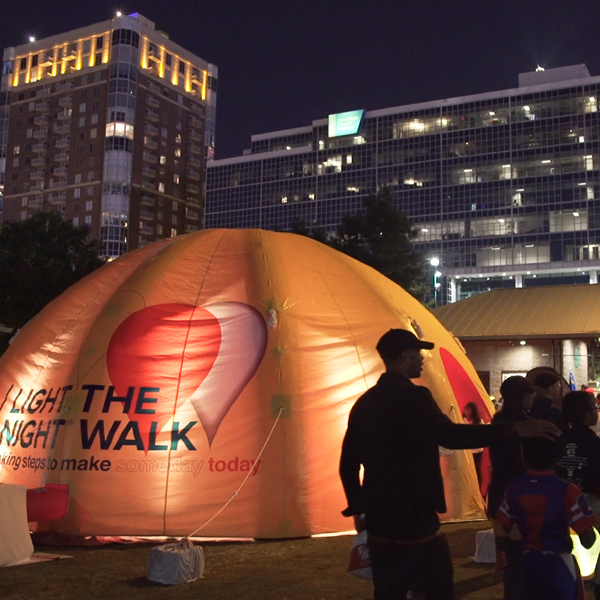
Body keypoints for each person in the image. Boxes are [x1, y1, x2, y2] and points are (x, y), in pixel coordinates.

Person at [339, 328, 561, 600]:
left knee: (388, 591)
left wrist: (359, 509)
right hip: (415, 515)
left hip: (379, 519)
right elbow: (453, 436)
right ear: (404, 356)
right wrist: (514, 430)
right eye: (418, 353)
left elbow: (347, 464)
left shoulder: (364, 404)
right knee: (436, 588)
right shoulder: (416, 398)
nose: (422, 359)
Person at [496, 437, 598, 600]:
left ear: (523, 456)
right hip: (559, 567)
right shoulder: (568, 491)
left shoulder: (513, 489)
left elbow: (500, 532)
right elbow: (588, 539)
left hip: (527, 565)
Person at [487, 376, 537, 600]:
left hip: (498, 495)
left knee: (510, 558)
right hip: (521, 497)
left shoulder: (497, 421)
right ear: (523, 396)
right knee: (524, 556)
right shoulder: (527, 424)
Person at [556, 390, 600, 599]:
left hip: (559, 502)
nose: (597, 412)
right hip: (589, 501)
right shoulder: (593, 442)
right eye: (594, 408)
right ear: (585, 415)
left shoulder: (560, 440)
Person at [462, 401, 484, 485]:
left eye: (469, 410)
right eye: (466, 409)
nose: (467, 412)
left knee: (476, 469)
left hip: (476, 450)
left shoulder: (479, 422)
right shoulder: (462, 421)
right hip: (466, 450)